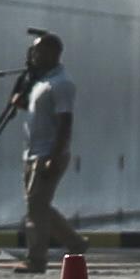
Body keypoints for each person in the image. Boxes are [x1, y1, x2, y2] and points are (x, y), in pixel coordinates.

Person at [13, 28, 82, 258]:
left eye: (38, 51)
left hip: (48, 153)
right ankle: (75, 243)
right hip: (32, 152)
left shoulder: (61, 84)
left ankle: (36, 259)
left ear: (53, 53)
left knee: (35, 208)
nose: (33, 55)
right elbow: (28, 107)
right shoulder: (42, 81)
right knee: (38, 205)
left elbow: (65, 122)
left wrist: (54, 155)